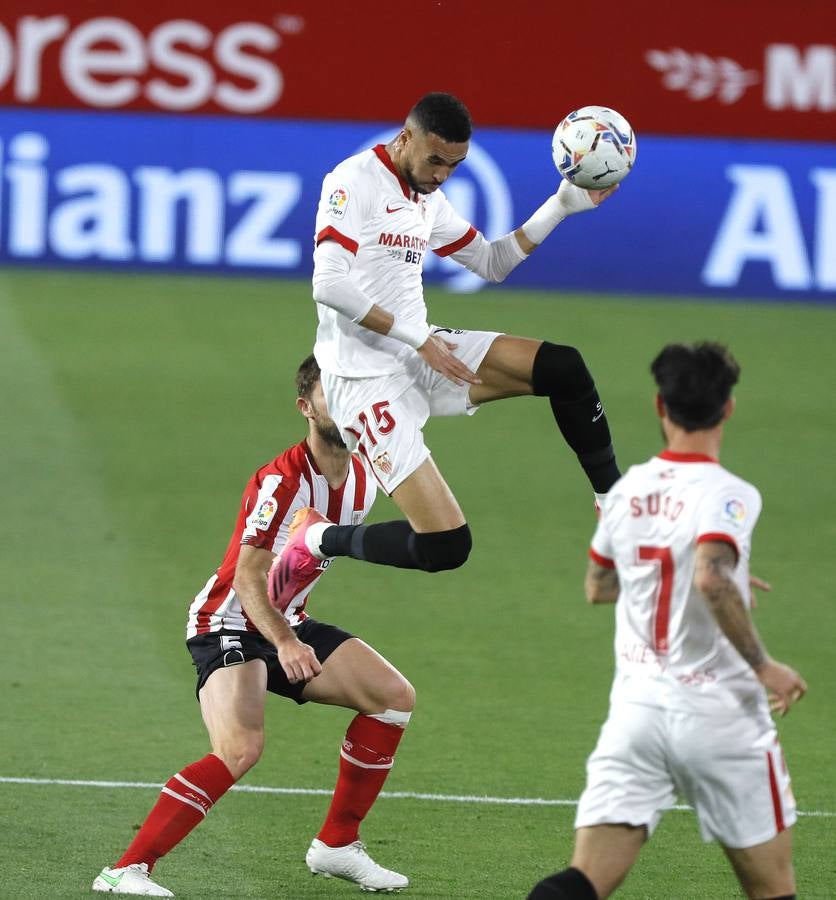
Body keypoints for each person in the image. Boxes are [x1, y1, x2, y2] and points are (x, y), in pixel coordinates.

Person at [93, 355, 414, 897]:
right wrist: (284, 642)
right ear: (305, 407)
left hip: (286, 619)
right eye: (329, 391)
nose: (344, 401)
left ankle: (337, 844)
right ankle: (126, 870)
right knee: (240, 749)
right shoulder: (281, 481)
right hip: (228, 623)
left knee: (392, 697)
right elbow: (247, 578)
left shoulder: (365, 475)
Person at [275, 91, 621, 592]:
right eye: (434, 159)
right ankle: (319, 538)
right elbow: (328, 284)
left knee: (563, 367)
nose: (441, 174)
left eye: (454, 166)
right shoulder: (353, 180)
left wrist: (561, 205)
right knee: (446, 546)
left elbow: (492, 262)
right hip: (364, 381)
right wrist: (419, 338)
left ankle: (612, 503)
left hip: (420, 354)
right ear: (405, 137)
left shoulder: (427, 200)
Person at [528, 342, 807, 900]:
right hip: (721, 717)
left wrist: (696, 579)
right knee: (773, 889)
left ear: (660, 406)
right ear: (727, 409)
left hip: (637, 717)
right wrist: (764, 665)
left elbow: (599, 587)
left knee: (582, 883)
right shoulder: (731, 494)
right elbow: (709, 577)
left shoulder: (627, 490)